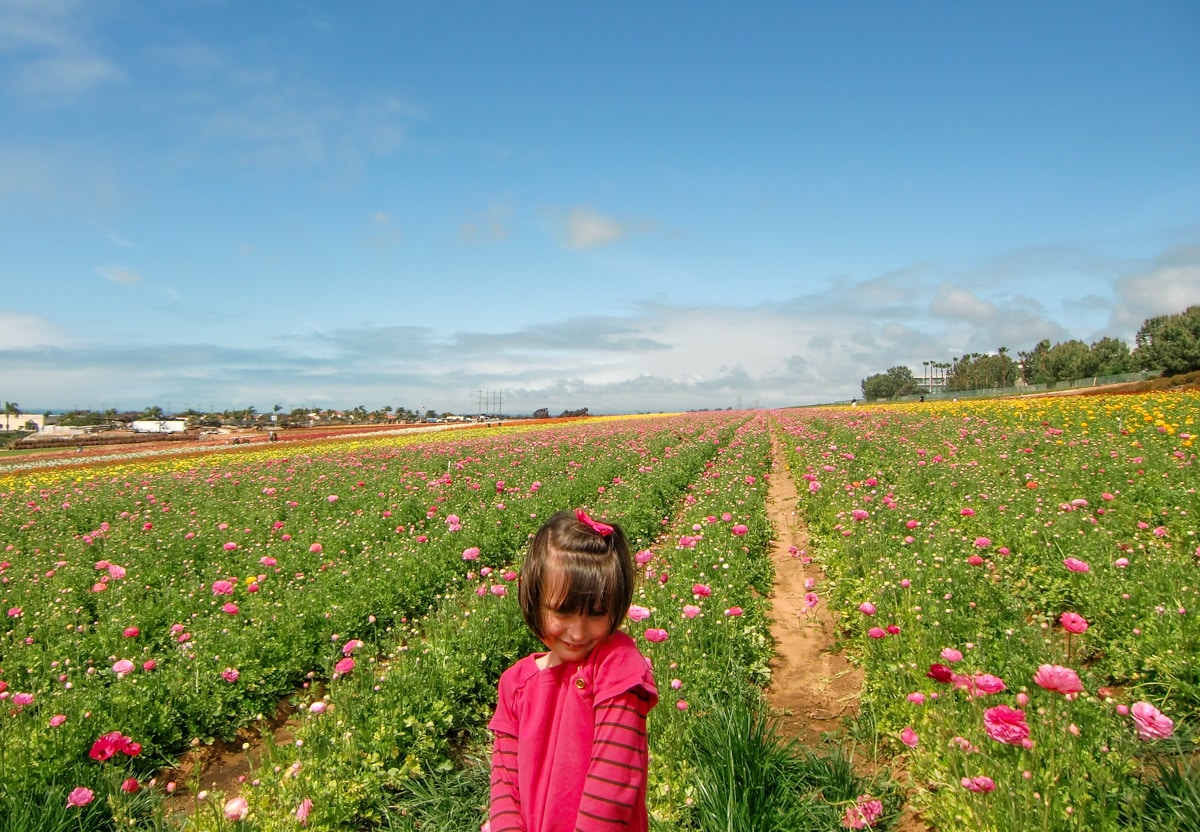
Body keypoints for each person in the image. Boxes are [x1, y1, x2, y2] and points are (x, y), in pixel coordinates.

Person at [489, 509, 658, 832]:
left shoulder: (617, 665)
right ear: (535, 598)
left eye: (596, 613)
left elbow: (614, 783)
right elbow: (505, 786)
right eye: (563, 611)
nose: (578, 633)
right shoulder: (516, 685)